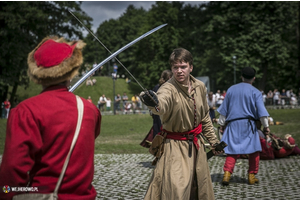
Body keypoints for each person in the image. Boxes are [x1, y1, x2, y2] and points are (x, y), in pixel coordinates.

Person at [0, 36, 101, 200]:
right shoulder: (90, 110)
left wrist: (4, 193)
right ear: (71, 71)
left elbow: (13, 168)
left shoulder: (25, 110)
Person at [140, 48, 221, 200]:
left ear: (191, 67)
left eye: (183, 67)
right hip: (175, 148)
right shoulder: (168, 88)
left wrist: (214, 142)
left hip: (197, 147)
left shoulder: (200, 86)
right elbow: (161, 105)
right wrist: (154, 103)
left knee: (199, 189)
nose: (179, 71)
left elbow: (204, 117)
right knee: (176, 191)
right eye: (175, 67)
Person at [217, 66, 270, 185]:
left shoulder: (231, 89)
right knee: (254, 151)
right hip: (249, 125)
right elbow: (262, 111)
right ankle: (251, 176)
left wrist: (221, 124)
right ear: (254, 78)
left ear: (241, 77)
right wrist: (266, 126)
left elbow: (224, 109)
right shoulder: (256, 92)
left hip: (233, 124)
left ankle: (226, 175)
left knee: (232, 151)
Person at [140, 70, 173, 148]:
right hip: (163, 113)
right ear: (169, 77)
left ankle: (159, 152)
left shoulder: (156, 87)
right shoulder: (167, 88)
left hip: (157, 114)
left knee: (158, 132)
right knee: (162, 132)